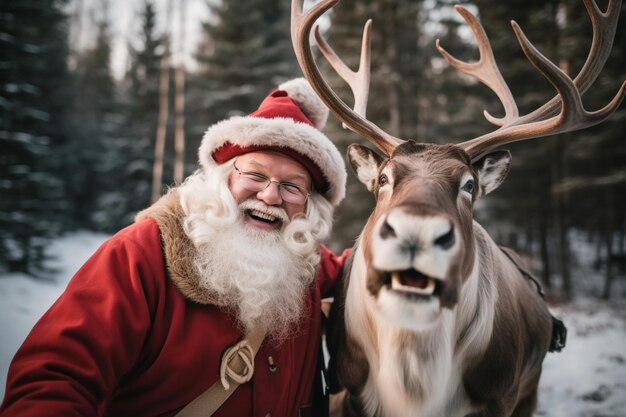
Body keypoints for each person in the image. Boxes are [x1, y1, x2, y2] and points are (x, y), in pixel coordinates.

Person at [0, 78, 349, 417]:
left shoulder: (304, 266)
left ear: (308, 206)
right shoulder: (140, 254)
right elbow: (54, 379)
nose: (270, 196)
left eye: (291, 186)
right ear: (223, 178)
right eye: (255, 176)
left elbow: (366, 268)